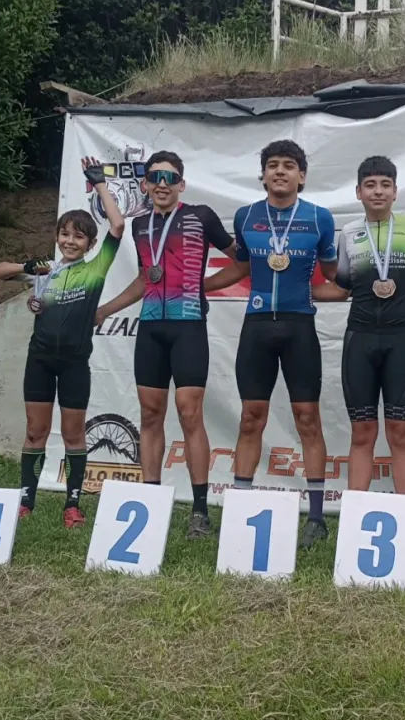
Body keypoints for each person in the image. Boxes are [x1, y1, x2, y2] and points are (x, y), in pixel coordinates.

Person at [95, 150, 236, 539]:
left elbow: (241, 262)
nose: (162, 183)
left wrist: (202, 286)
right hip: (151, 329)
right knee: (150, 415)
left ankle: (200, 511)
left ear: (181, 184)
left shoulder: (202, 216)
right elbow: (146, 278)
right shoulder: (140, 225)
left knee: (190, 414)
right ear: (145, 184)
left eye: (170, 177)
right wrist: (105, 309)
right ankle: (151, 504)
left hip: (188, 327)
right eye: (155, 177)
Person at [205, 139, 338, 548]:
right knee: (251, 418)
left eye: (289, 165)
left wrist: (370, 291)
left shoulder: (319, 218)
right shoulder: (246, 216)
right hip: (257, 327)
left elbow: (335, 276)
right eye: (273, 165)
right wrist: (196, 287)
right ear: (263, 175)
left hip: (300, 327)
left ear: (302, 176)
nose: (280, 171)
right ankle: (240, 510)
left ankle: (317, 518)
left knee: (307, 419)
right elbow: (240, 268)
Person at [0, 157, 125, 529]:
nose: (70, 241)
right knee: (35, 432)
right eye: (65, 234)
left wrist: (99, 182)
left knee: (74, 434)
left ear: (90, 244)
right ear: (57, 237)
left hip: (75, 362)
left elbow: (117, 225)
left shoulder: (95, 270)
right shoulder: (45, 272)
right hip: (40, 361)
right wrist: (27, 267)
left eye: (79, 237)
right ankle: (26, 502)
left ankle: (72, 505)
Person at [312, 156, 405, 495]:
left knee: (400, 433)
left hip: (402, 339)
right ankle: (354, 516)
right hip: (360, 340)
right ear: (358, 192)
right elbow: (342, 288)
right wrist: (298, 291)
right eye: (370, 185)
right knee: (362, 433)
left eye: (385, 185)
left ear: (395, 191)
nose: (378, 191)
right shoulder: (349, 234)